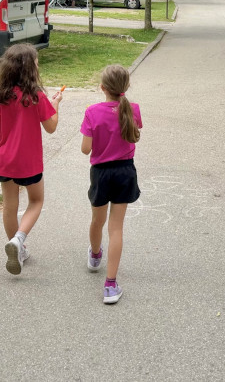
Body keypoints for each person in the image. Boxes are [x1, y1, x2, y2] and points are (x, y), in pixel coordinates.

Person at [0, 44, 62, 276]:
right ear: (30, 68)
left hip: (5, 161)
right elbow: (51, 127)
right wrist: (55, 105)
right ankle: (18, 240)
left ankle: (17, 249)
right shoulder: (36, 96)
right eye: (37, 63)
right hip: (29, 162)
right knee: (36, 201)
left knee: (10, 205)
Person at [80, 64, 143, 304]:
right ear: (126, 86)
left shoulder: (92, 112)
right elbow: (133, 133)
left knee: (98, 220)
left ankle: (95, 255)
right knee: (116, 228)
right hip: (125, 171)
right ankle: (110, 285)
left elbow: (85, 149)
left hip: (101, 173)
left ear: (102, 87)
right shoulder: (133, 109)